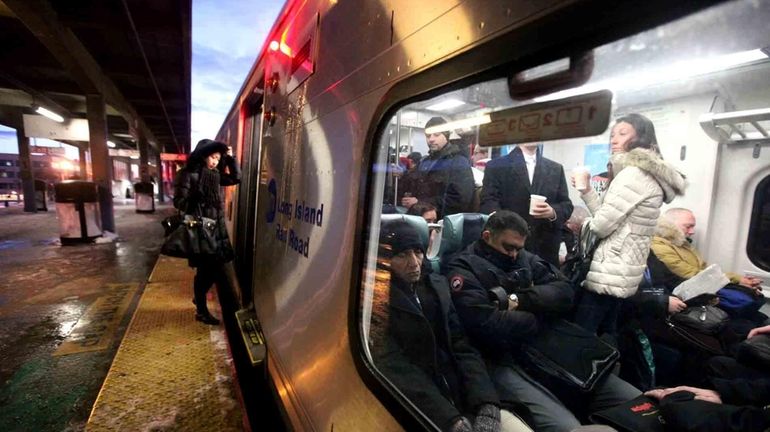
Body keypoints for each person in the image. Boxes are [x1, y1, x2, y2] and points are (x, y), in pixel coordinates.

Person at [447, 210, 640, 432]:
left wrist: (518, 300)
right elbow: (486, 324)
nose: (513, 255)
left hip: (546, 348)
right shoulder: (462, 268)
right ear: (487, 236)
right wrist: (540, 315)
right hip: (501, 359)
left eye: (518, 248)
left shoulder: (524, 258)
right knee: (566, 427)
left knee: (637, 403)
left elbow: (566, 293)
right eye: (507, 247)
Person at [369, 219, 532, 432]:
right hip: (422, 407)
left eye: (418, 252)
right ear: (385, 259)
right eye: (401, 255)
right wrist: (449, 419)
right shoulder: (375, 300)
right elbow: (394, 365)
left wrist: (486, 403)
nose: (414, 263)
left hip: (466, 397)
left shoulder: (437, 287)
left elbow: (462, 346)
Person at [571, 113, 686, 336]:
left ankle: (578, 372)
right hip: (623, 269)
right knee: (607, 332)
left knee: (581, 336)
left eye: (622, 134)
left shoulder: (633, 174)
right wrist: (586, 191)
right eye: (612, 135)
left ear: (641, 139)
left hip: (609, 269)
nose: (614, 140)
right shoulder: (646, 174)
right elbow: (609, 217)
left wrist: (580, 224)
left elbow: (600, 226)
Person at [173, 139, 241, 325]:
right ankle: (201, 310)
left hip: (216, 230)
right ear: (203, 155)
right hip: (199, 229)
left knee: (213, 269)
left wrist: (230, 158)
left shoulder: (214, 175)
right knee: (206, 271)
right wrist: (195, 199)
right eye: (213, 157)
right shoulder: (186, 174)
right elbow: (179, 203)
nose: (215, 162)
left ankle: (199, 296)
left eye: (218, 159)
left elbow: (236, 178)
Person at [480, 144, 573, 266]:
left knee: (545, 283)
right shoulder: (497, 166)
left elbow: (566, 205)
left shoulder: (556, 168)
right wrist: (502, 223)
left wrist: (552, 212)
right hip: (508, 246)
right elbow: (488, 200)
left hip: (544, 247)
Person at [651, 208, 762, 290]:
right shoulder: (659, 246)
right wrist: (736, 280)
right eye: (688, 226)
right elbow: (689, 274)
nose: (692, 232)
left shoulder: (682, 244)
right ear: (670, 225)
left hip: (701, 287)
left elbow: (705, 269)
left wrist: (738, 279)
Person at [400, 117, 475, 219]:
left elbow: (460, 199)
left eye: (436, 135)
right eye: (428, 136)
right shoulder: (424, 162)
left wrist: (421, 203)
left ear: (446, 136)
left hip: (442, 221)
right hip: (419, 217)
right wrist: (401, 175)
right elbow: (410, 184)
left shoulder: (458, 162)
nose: (431, 139)